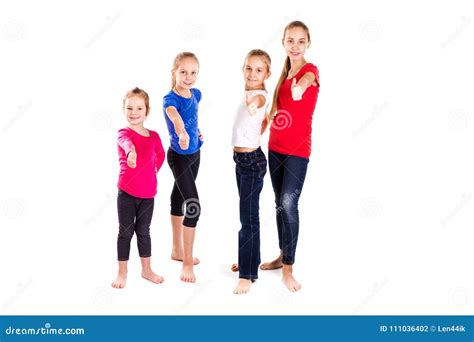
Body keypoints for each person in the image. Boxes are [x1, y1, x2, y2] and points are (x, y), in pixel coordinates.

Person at [261, 21, 320, 292]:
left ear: (308, 43)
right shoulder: (283, 76)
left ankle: (289, 268)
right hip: (275, 149)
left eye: (300, 41)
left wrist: (301, 87)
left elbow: (308, 81)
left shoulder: (310, 71)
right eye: (290, 41)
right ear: (283, 42)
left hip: (297, 153)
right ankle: (282, 255)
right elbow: (275, 111)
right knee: (278, 204)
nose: (295, 46)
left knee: (288, 204)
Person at [112, 87, 165, 289]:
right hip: (126, 192)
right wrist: (131, 152)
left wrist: (152, 172)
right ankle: (122, 272)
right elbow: (125, 143)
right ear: (124, 110)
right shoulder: (123, 133)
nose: (134, 112)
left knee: (144, 231)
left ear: (147, 111)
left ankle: (146, 270)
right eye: (129, 108)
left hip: (148, 194)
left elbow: (160, 155)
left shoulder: (154, 136)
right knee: (125, 232)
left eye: (139, 108)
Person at [231, 49, 272, 294]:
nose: (252, 73)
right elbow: (263, 121)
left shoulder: (259, 96)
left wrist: (254, 106)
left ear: (267, 73)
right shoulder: (248, 93)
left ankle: (247, 274)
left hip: (251, 163)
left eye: (259, 70)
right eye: (248, 68)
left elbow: (258, 104)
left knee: (248, 217)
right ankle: (250, 258)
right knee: (248, 214)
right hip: (241, 159)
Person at [163, 52, 203, 283]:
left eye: (193, 72)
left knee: (178, 198)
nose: (188, 77)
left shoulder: (196, 93)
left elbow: (192, 116)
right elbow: (176, 116)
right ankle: (187, 263)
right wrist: (182, 132)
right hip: (178, 157)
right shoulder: (170, 100)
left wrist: (196, 133)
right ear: (174, 73)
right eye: (183, 72)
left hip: (196, 155)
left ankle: (176, 250)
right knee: (194, 205)